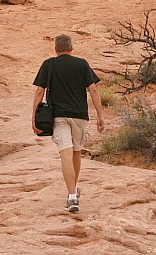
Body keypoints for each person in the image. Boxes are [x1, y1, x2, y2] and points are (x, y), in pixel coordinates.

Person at [32, 34, 104, 212]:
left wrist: (33, 117)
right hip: (79, 115)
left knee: (65, 153)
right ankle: (73, 191)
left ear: (55, 49)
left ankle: (72, 196)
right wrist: (100, 115)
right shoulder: (81, 64)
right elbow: (93, 89)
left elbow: (40, 91)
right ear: (71, 48)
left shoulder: (49, 64)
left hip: (59, 116)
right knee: (76, 152)